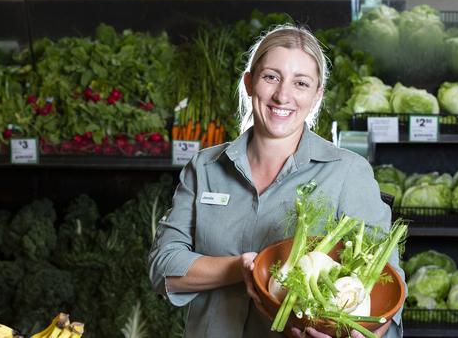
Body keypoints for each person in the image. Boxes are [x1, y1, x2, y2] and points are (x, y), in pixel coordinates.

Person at [148, 24, 405, 338]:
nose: (283, 95)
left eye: (301, 83)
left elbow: (384, 285)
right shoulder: (205, 167)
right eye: (271, 76)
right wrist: (241, 268)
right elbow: (163, 268)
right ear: (249, 83)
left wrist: (360, 336)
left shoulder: (348, 172)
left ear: (316, 95)